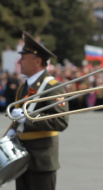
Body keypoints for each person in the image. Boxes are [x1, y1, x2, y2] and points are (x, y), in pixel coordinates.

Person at [9, 31, 69, 190]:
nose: (19, 61)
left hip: (42, 160)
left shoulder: (53, 87)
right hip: (22, 157)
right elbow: (18, 120)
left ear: (37, 61)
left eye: (23, 58)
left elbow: (61, 121)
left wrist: (28, 118)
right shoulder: (24, 86)